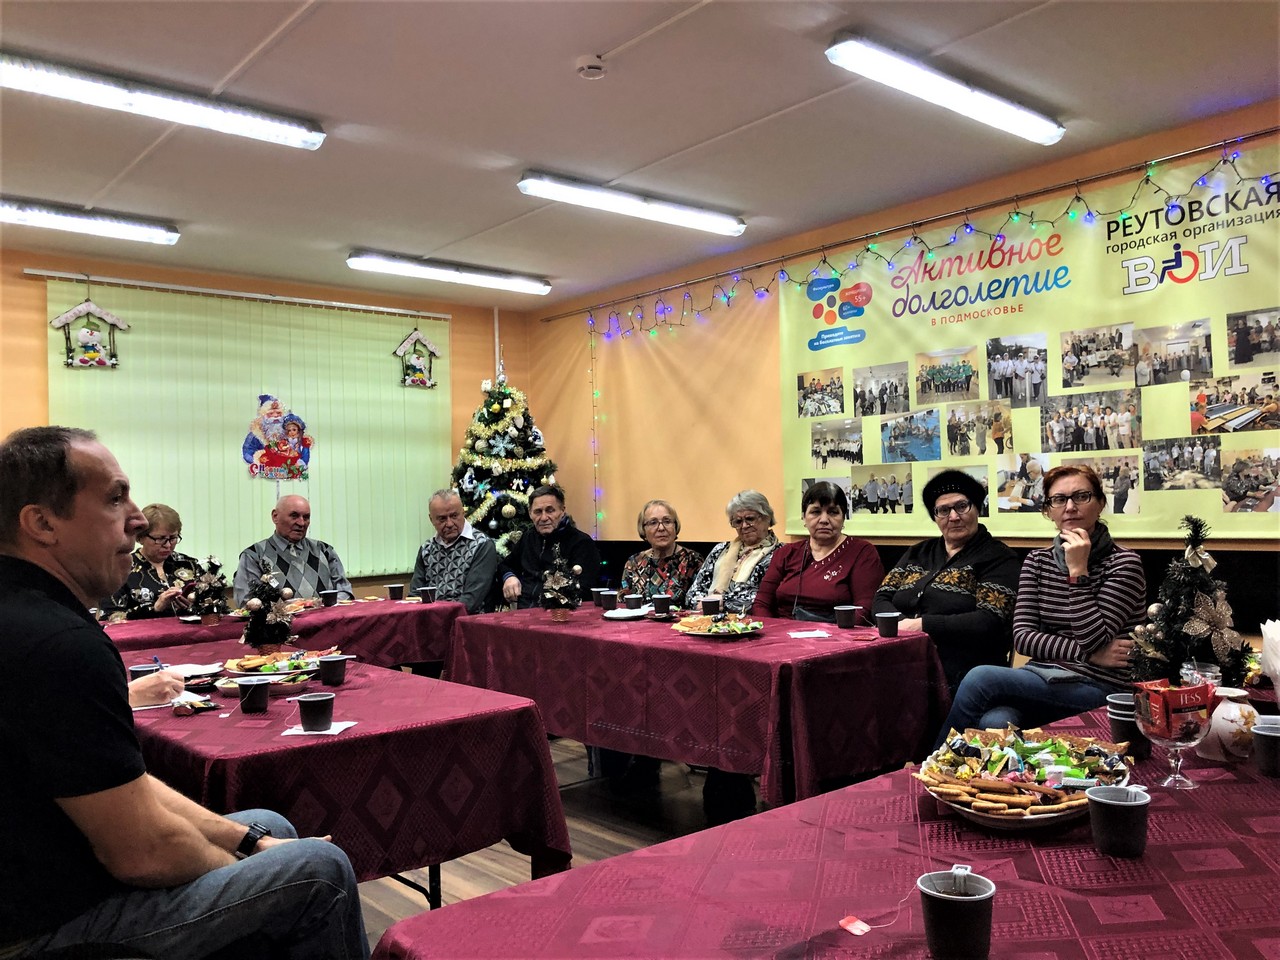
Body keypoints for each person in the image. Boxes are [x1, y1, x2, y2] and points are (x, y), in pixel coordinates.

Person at [0, 426, 368, 960]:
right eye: (115, 498)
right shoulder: (59, 644)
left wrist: (252, 843)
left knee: (270, 826)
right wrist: (246, 866)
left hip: (51, 872)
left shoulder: (25, 610)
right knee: (320, 868)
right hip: (44, 929)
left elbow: (122, 786)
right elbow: (143, 853)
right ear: (42, 523)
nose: (139, 520)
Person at [931, 465, 1147, 747]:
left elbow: (1093, 638)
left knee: (980, 677)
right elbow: (1023, 638)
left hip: (1101, 685)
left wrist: (1077, 572)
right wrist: (1089, 655)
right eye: (1059, 499)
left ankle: (930, 767)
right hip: (1041, 677)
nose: (1070, 507)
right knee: (996, 721)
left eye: (1081, 496)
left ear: (1100, 504)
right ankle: (968, 775)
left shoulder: (1125, 564)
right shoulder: (1038, 561)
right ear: (1048, 511)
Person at [873, 471, 1019, 697]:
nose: (953, 516)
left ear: (977, 508)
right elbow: (881, 598)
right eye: (943, 510)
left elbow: (990, 621)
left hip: (966, 674)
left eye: (962, 506)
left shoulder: (999, 558)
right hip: (902, 660)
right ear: (935, 517)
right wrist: (900, 625)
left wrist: (922, 625)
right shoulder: (918, 552)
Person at [752, 481, 883, 623]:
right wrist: (773, 631)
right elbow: (762, 604)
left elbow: (864, 610)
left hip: (838, 633)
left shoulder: (862, 552)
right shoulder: (785, 553)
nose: (824, 520)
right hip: (783, 632)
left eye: (833, 512)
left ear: (844, 517)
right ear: (804, 517)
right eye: (815, 512)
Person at [233, 495, 352, 605]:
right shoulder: (254, 555)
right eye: (294, 516)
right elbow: (246, 602)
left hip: (326, 620)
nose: (301, 523)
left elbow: (345, 592)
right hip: (280, 621)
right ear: (275, 517)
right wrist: (292, 608)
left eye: (306, 517)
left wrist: (321, 606)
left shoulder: (324, 550)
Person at [100, 502, 207, 621]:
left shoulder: (190, 564)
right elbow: (109, 617)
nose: (168, 545)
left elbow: (216, 607)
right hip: (143, 632)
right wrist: (154, 608)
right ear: (140, 537)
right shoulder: (120, 569)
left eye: (173, 538)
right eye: (160, 539)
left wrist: (198, 601)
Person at [499, 484, 601, 608]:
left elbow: (584, 590)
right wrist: (509, 577)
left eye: (550, 510)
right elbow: (506, 565)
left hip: (561, 613)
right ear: (530, 513)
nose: (543, 518)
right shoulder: (528, 538)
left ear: (562, 511)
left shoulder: (581, 543)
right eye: (538, 512)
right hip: (524, 611)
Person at [685, 491, 781, 614]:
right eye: (738, 522)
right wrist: (702, 604)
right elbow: (693, 592)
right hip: (706, 617)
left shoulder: (780, 553)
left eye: (750, 519)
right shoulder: (720, 550)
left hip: (750, 621)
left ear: (767, 518)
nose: (744, 526)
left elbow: (764, 598)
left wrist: (722, 602)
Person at [409, 488, 498, 613]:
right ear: (431, 519)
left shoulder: (482, 545)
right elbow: (415, 595)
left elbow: (471, 600)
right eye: (442, 519)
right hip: (430, 617)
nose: (449, 523)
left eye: (454, 516)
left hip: (468, 619)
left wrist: (439, 617)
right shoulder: (427, 549)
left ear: (463, 513)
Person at [619, 500, 704, 608]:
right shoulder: (634, 563)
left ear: (675, 526)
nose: (661, 528)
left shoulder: (692, 560)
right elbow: (623, 603)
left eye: (667, 521)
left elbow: (700, 604)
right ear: (643, 529)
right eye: (653, 523)